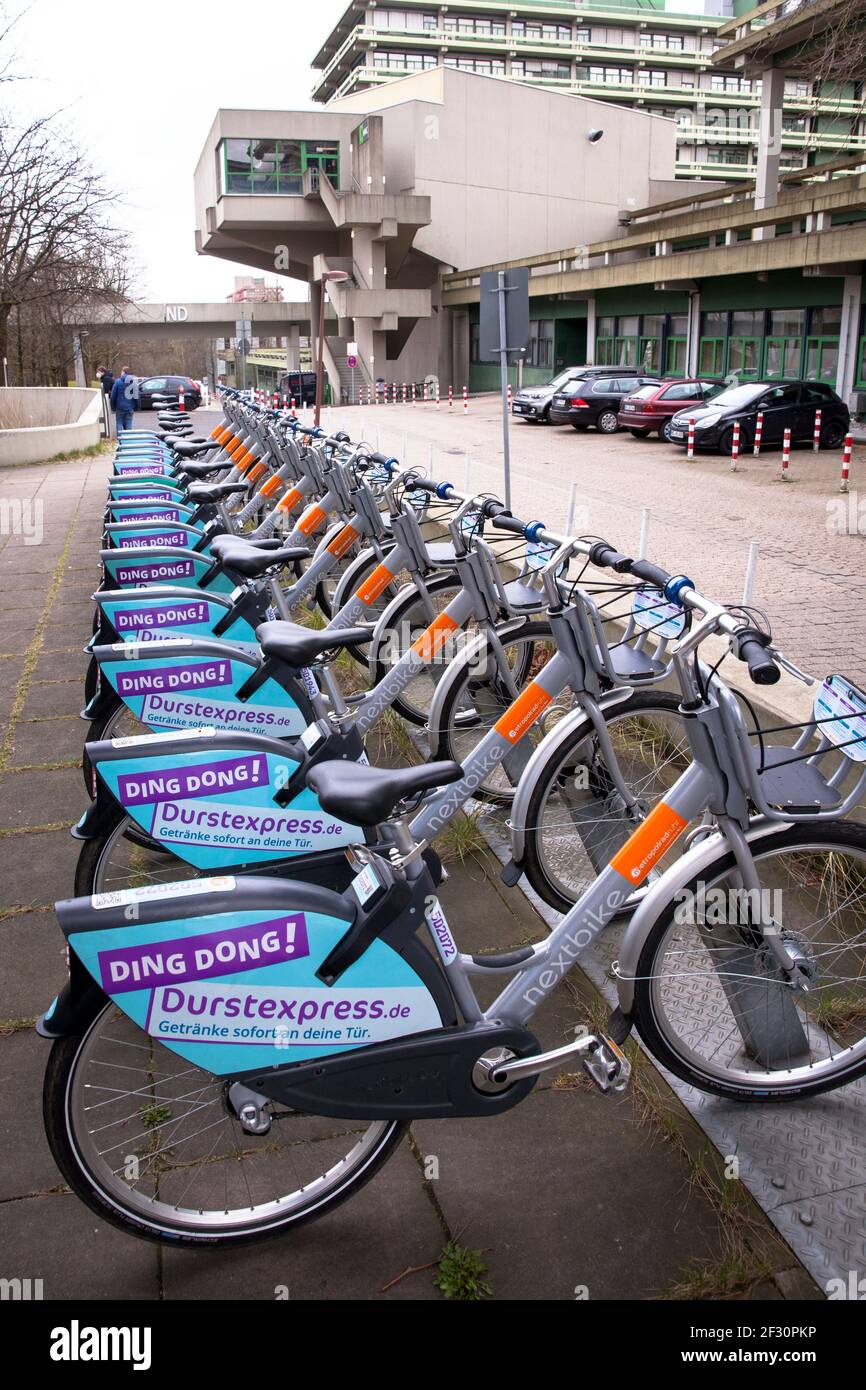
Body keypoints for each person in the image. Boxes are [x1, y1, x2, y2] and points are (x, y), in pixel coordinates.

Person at [109, 367, 138, 434]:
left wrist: (112, 407)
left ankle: (120, 439)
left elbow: (113, 396)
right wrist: (136, 407)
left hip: (119, 407)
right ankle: (128, 439)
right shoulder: (133, 382)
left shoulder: (117, 382)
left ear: (124, 372)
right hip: (129, 407)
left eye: (121, 372)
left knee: (119, 423)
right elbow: (136, 397)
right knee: (129, 423)